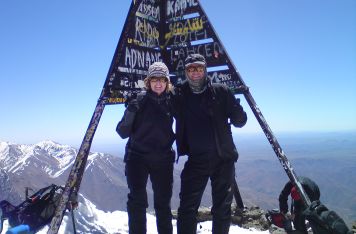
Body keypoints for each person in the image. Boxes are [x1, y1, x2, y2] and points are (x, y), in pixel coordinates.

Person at [172, 53, 247, 234]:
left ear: (205, 70)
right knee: (187, 208)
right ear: (186, 72)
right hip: (196, 160)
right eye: (191, 69)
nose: (195, 72)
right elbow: (158, 97)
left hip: (223, 159)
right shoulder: (179, 94)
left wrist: (236, 111)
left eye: (199, 68)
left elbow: (241, 120)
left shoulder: (221, 91)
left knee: (222, 208)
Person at [116, 62, 175, 234]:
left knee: (163, 204)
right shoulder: (139, 100)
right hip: (137, 159)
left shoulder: (172, 101)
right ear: (148, 82)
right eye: (154, 79)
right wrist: (131, 111)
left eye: (162, 79)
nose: (158, 83)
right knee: (137, 202)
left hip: (163, 160)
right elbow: (122, 132)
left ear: (167, 82)